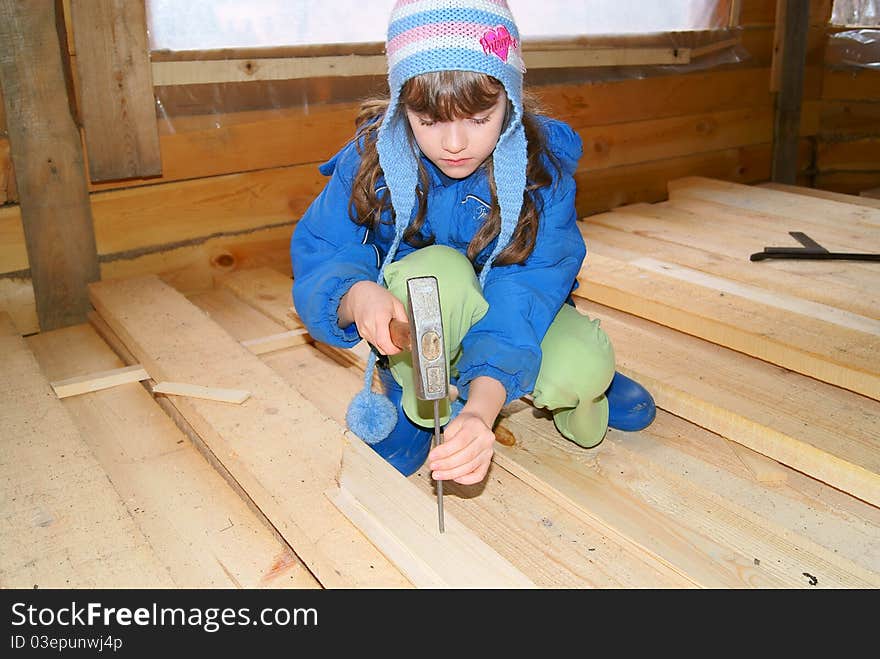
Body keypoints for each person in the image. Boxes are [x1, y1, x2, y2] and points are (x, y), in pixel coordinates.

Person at [291, 0, 655, 487]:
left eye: (480, 118)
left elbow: (527, 289)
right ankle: (419, 402)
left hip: (509, 317)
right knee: (437, 273)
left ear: (511, 98)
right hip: (421, 324)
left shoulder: (540, 172)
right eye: (429, 120)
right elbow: (325, 251)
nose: (455, 143)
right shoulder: (369, 162)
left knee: (582, 367)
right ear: (403, 105)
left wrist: (482, 412)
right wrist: (357, 295)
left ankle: (576, 391)